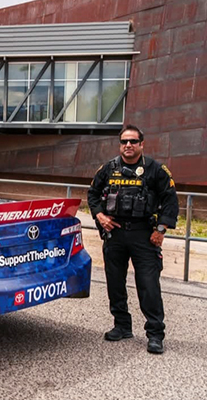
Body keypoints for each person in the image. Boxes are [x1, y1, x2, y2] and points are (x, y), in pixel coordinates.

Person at [88, 124, 179, 354]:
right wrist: (100, 217)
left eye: (133, 142)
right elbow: (93, 195)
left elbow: (170, 200)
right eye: (124, 142)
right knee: (115, 282)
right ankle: (122, 326)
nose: (128, 145)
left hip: (144, 235)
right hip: (115, 234)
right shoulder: (108, 168)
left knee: (148, 285)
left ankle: (155, 334)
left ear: (141, 144)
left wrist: (160, 230)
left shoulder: (155, 169)